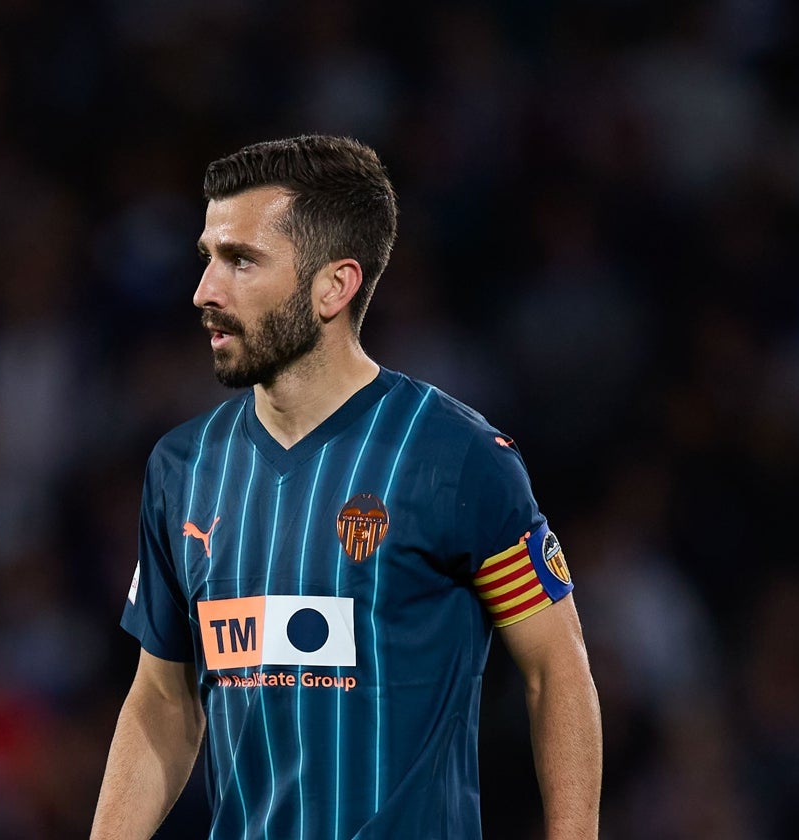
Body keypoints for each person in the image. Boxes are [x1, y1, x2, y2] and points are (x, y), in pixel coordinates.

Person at [91, 135, 602, 839]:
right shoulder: (182, 467)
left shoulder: (456, 458)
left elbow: (557, 671)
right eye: (207, 258)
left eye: (240, 261)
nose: (205, 291)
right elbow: (162, 698)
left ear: (335, 286)